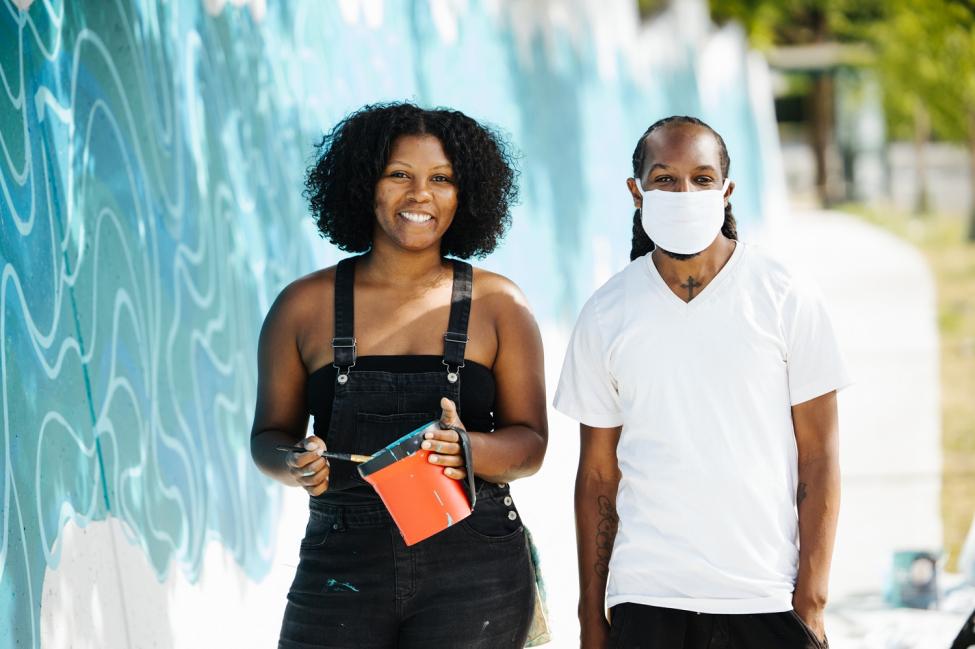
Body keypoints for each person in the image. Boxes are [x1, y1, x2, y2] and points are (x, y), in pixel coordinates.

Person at [250, 102, 548, 649]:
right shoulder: (301, 307)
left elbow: (530, 445)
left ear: (465, 195)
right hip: (340, 566)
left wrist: (468, 449)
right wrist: (294, 463)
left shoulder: (499, 304)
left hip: (476, 569)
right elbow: (269, 437)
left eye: (441, 179)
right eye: (399, 175)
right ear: (365, 184)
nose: (420, 195)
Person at [554, 115, 851, 649]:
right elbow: (598, 476)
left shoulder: (785, 296)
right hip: (646, 600)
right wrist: (591, 617)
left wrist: (811, 601)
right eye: (665, 178)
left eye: (702, 178)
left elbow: (820, 457)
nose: (684, 191)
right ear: (636, 192)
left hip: (766, 597)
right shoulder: (606, 314)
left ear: (726, 190)